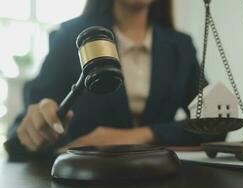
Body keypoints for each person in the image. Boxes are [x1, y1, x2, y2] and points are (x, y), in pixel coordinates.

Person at [4, 0, 225, 160]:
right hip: (86, 181)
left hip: (157, 179)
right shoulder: (71, 37)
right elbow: (22, 131)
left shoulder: (180, 46)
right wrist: (33, 129)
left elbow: (214, 122)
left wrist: (141, 135)